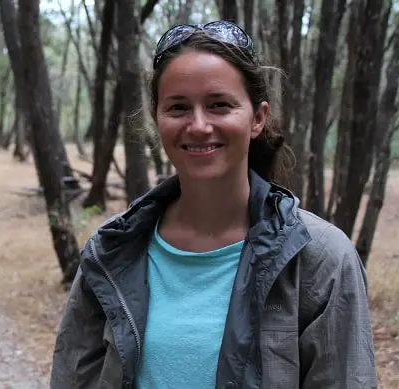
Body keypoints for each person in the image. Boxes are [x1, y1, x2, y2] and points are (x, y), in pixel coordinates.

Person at [49, 20, 377, 389]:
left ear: (257, 118)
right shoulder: (112, 251)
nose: (199, 125)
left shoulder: (321, 259)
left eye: (219, 105)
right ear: (158, 119)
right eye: (178, 107)